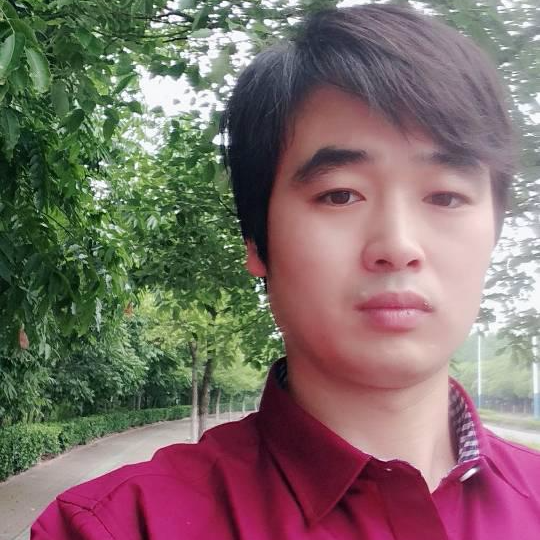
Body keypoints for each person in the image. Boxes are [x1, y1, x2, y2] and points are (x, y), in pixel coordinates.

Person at [32, 3, 540, 539]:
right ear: (258, 241)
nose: (397, 246)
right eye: (340, 195)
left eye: (445, 196)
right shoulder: (119, 527)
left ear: (494, 230)